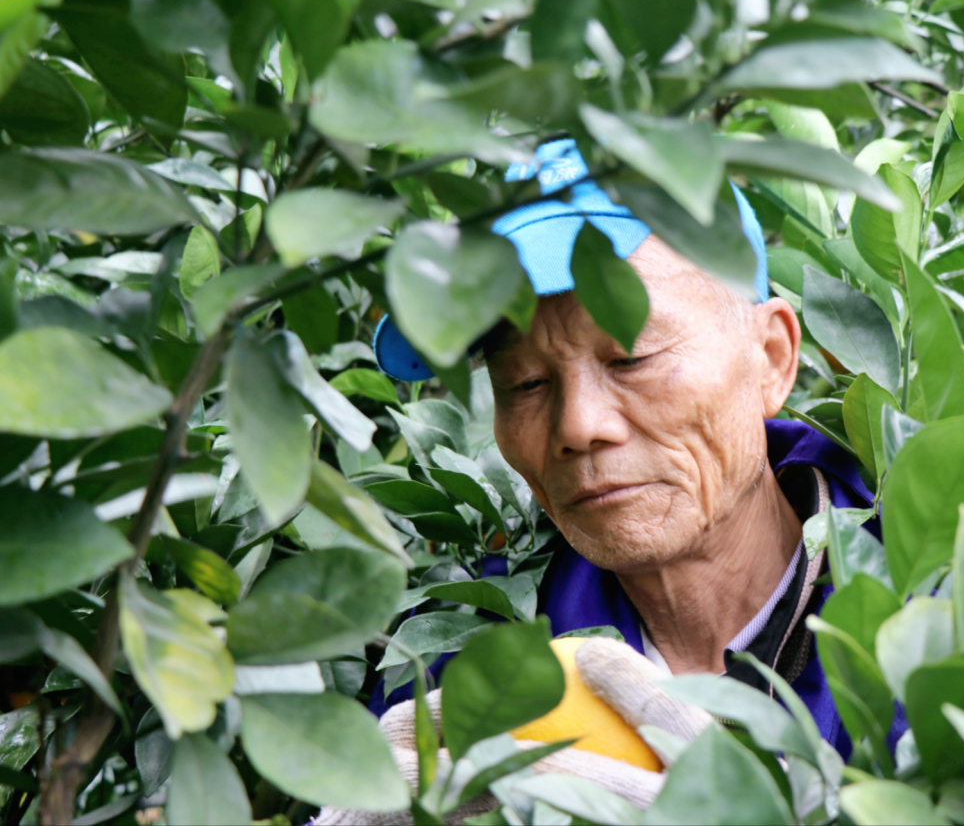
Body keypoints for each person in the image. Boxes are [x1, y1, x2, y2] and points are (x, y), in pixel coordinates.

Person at [326, 139, 888, 821]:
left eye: (631, 358)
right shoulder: (468, 652)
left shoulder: (927, 617)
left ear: (771, 360)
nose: (578, 426)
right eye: (525, 382)